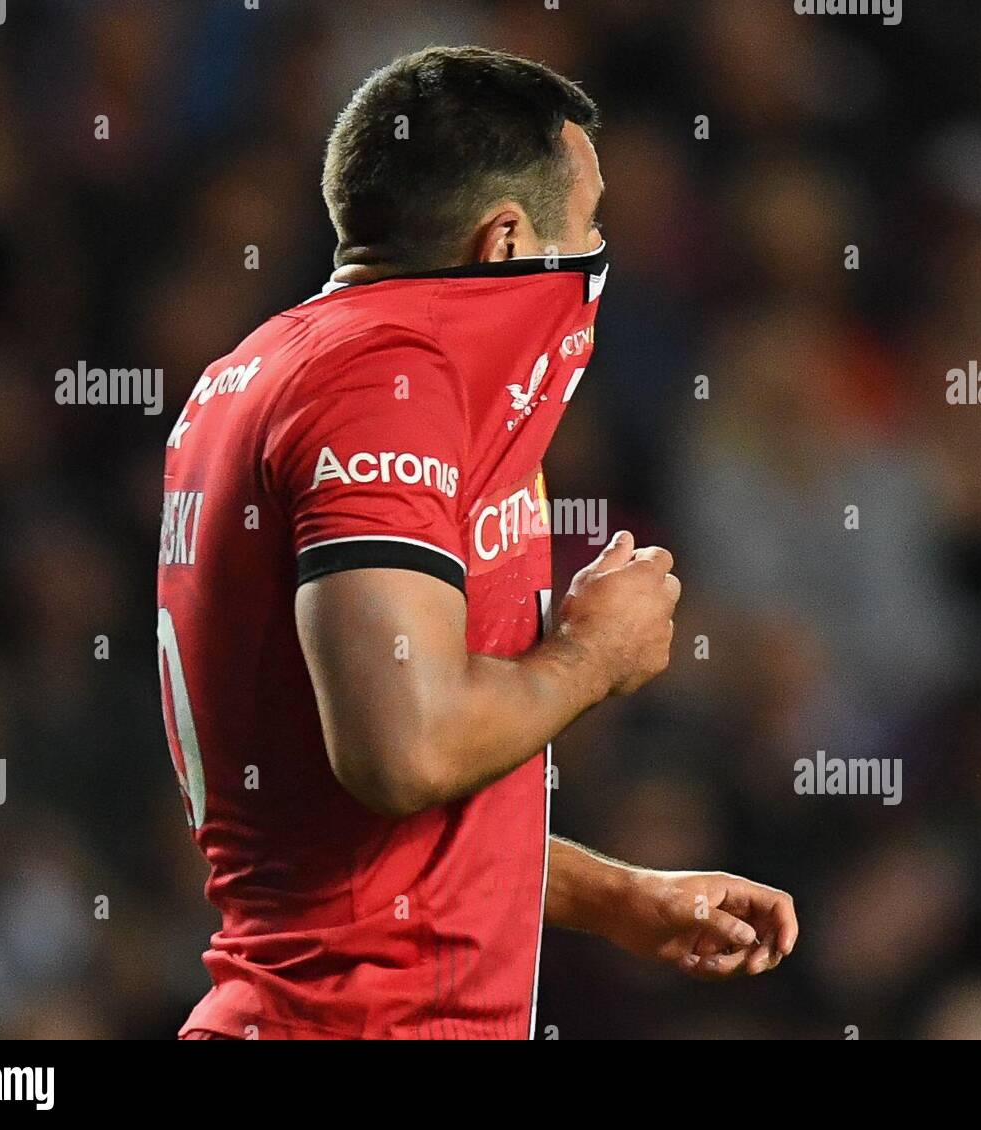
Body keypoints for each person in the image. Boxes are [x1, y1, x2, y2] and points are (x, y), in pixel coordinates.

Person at [157, 45, 796, 1040]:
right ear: (504, 242)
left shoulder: (268, 367)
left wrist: (618, 894)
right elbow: (403, 751)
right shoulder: (380, 386)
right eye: (585, 224)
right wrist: (593, 656)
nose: (595, 256)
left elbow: (370, 833)